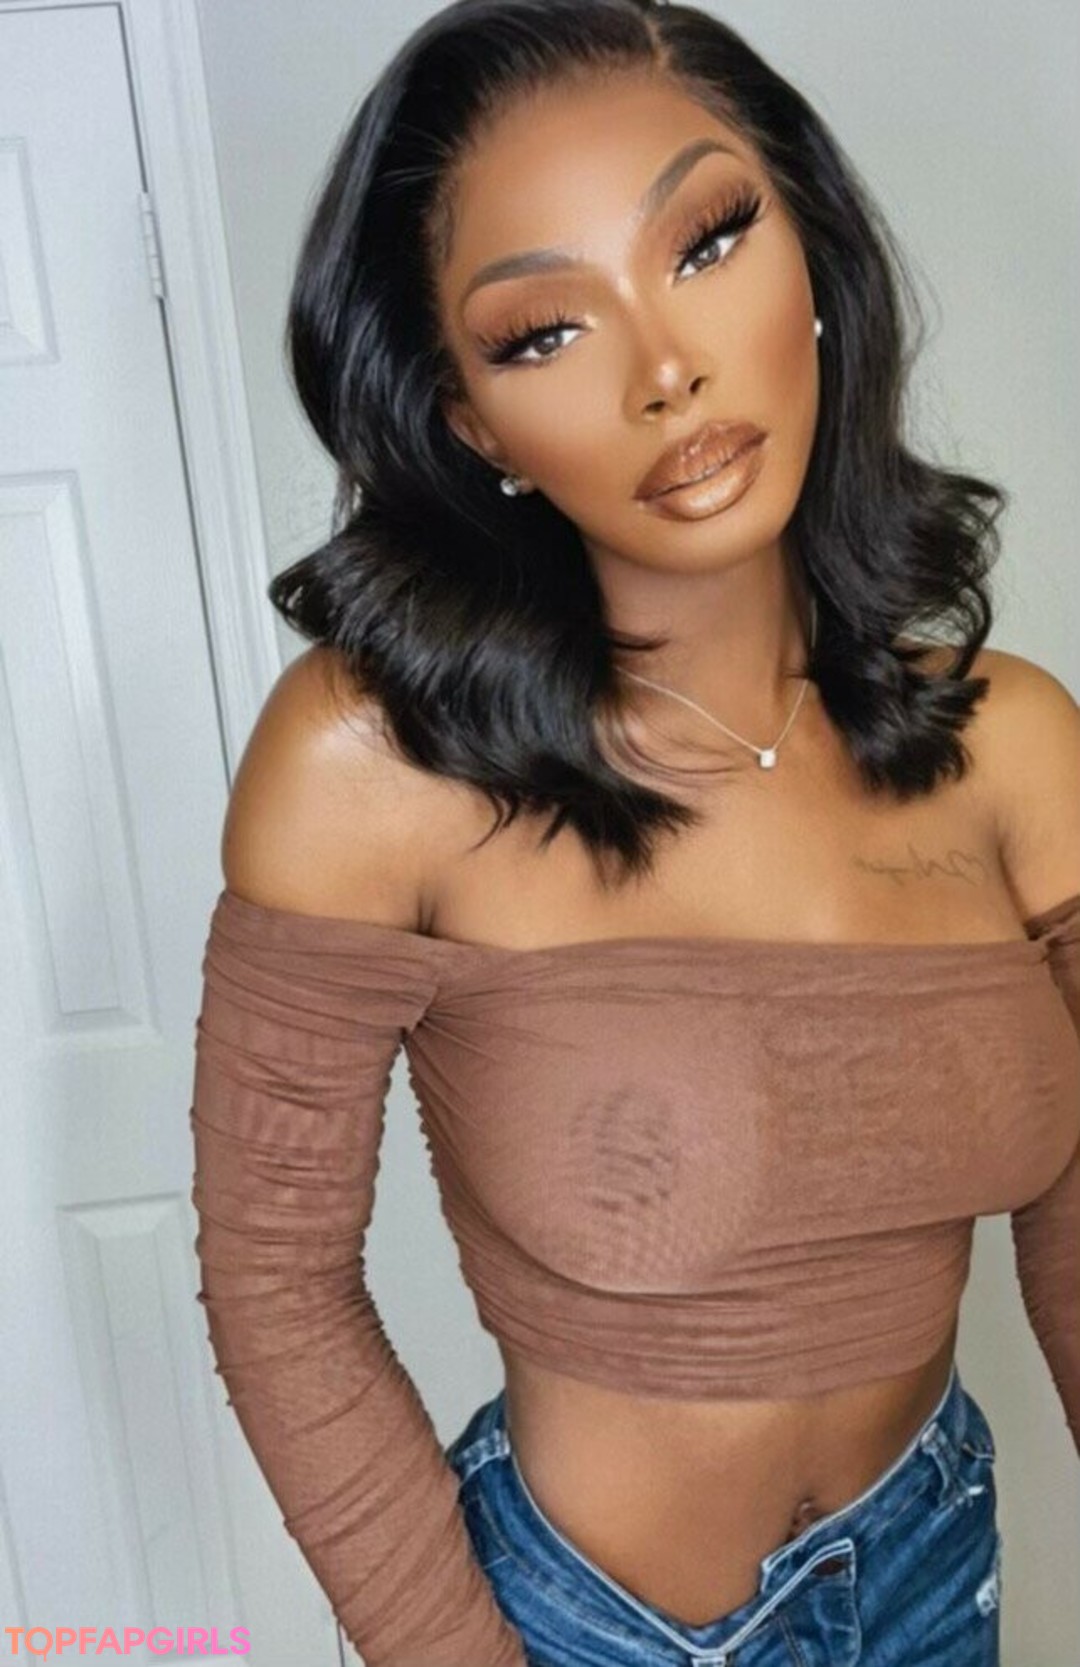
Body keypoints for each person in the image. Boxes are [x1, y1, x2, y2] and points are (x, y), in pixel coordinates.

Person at [188, 2, 1080, 1663]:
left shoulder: (1012, 743)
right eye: (542, 332)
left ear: (812, 249)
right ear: (470, 421)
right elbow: (276, 1283)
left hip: (937, 1578)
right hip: (575, 1630)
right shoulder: (371, 762)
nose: (664, 369)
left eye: (709, 240)